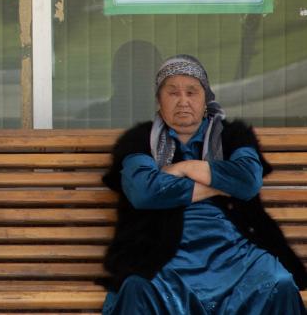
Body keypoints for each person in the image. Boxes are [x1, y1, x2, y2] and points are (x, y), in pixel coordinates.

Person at [100, 54, 307, 314]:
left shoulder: (232, 135)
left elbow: (248, 180)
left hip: (235, 252)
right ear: (159, 99)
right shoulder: (140, 139)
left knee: (278, 282)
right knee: (139, 287)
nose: (183, 101)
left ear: (205, 97)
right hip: (162, 251)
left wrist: (185, 168)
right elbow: (144, 191)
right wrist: (222, 183)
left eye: (191, 92)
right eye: (173, 92)